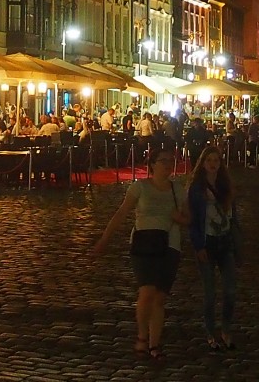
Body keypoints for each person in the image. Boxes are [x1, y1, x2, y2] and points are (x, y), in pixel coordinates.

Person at [92, 146, 187, 361]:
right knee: (147, 291)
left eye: (170, 161)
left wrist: (178, 218)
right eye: (163, 160)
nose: (167, 165)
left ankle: (155, 344)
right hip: (143, 243)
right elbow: (122, 213)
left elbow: (189, 218)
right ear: (152, 164)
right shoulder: (140, 187)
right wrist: (104, 239)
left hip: (170, 245)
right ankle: (142, 336)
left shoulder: (177, 190)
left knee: (160, 297)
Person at [186, 145, 239, 351]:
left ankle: (225, 328)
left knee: (230, 291)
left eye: (216, 160)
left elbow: (232, 215)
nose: (213, 164)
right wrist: (198, 245)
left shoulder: (226, 185)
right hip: (207, 242)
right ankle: (210, 332)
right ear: (203, 163)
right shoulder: (197, 189)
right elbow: (194, 220)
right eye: (209, 161)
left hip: (225, 242)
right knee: (210, 294)